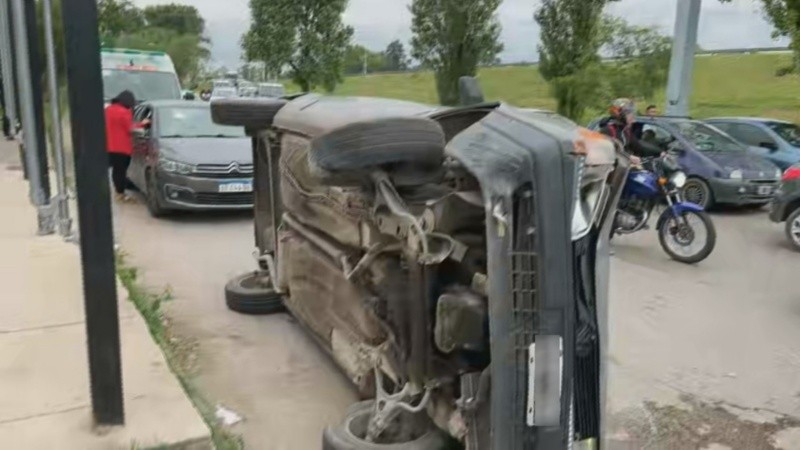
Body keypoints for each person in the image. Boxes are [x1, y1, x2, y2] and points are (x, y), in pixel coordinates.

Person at [105, 90, 148, 202]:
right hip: (122, 148)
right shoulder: (124, 112)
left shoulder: (107, 110)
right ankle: (120, 194)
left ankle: (118, 192)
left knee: (116, 170)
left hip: (109, 146)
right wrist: (143, 123)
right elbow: (131, 128)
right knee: (121, 171)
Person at [598, 98, 663, 164]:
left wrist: (660, 152)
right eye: (629, 113)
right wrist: (629, 157)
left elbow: (638, 146)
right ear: (620, 115)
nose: (632, 116)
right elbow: (609, 151)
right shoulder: (607, 130)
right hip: (610, 171)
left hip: (624, 169)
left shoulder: (625, 131)